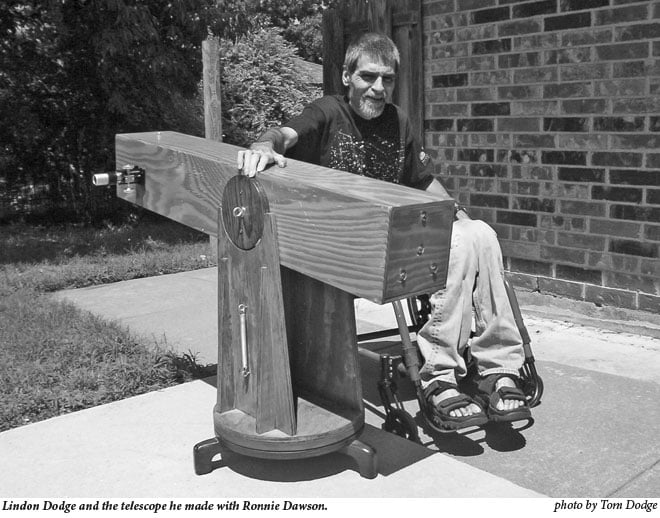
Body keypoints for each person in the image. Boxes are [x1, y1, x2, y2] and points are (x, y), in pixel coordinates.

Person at [237, 32, 532, 431]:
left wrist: (456, 212)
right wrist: (262, 143)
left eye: (387, 79)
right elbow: (285, 135)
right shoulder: (327, 112)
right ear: (346, 76)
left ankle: (499, 367)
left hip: (395, 241)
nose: (378, 88)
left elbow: (422, 181)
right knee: (460, 240)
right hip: (344, 248)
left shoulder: (398, 121)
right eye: (368, 77)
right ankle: (438, 376)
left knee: (479, 233)